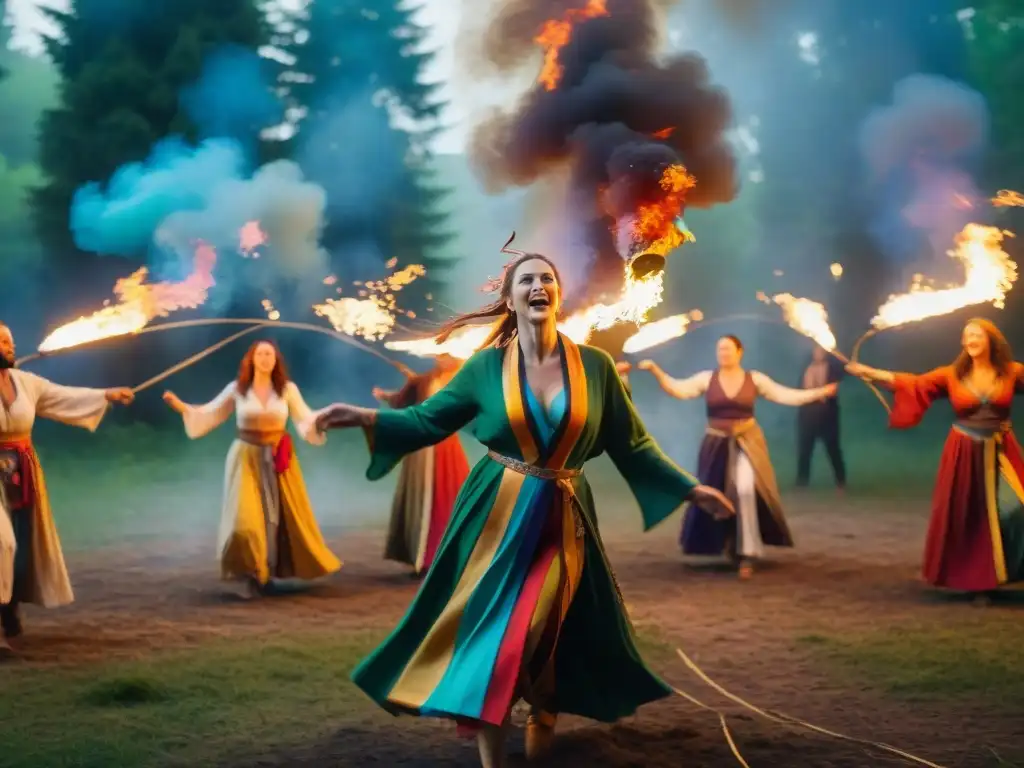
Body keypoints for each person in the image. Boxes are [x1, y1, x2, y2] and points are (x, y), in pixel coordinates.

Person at [309, 241, 733, 768]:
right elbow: (426, 422)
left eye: (547, 279)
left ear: (558, 296)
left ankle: (542, 714)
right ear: (510, 299)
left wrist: (691, 489)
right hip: (495, 517)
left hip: (563, 519)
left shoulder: (595, 367)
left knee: (542, 631)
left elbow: (634, 444)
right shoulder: (484, 369)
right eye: (527, 280)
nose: (539, 286)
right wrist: (364, 416)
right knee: (494, 639)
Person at [846, 318, 1024, 601]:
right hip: (965, 450)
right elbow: (913, 384)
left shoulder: (1011, 372)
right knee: (972, 517)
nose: (971, 340)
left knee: (1014, 508)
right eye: (966, 336)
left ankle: (1009, 569)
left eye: (977, 335)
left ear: (991, 339)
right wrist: (868, 371)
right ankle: (980, 583)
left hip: (1000, 450)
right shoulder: (951, 375)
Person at [637, 336, 837, 579]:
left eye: (728, 349)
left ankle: (747, 553)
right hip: (715, 445)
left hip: (747, 442)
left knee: (744, 491)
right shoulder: (706, 379)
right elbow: (678, 389)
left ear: (739, 352)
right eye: (720, 349)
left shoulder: (755, 379)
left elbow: (787, 395)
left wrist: (820, 392)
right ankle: (729, 544)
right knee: (719, 497)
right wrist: (655, 370)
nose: (724, 353)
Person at [162, 339, 341, 600]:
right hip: (246, 457)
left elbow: (305, 419)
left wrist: (324, 420)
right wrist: (180, 406)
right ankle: (250, 573)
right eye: (260, 353)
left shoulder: (287, 390)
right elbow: (210, 412)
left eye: (270, 354)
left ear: (276, 360)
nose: (265, 358)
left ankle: (265, 574)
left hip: (279, 459)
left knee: (277, 518)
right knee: (244, 522)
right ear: (252, 359)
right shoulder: (238, 389)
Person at [0, 322, 134, 657]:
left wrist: (106, 395)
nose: (9, 345)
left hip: (23, 470)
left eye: (11, 340)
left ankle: (8, 607)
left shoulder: (25, 383)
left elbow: (63, 396)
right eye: (2, 341)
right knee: (2, 542)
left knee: (21, 545)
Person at [373, 354, 470, 577]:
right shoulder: (424, 381)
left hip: (446, 446)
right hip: (423, 446)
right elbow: (403, 400)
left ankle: (452, 557)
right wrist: (387, 394)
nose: (443, 359)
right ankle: (423, 557)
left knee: (450, 495)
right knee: (423, 497)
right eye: (441, 356)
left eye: (448, 356)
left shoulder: (464, 379)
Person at [795, 344, 847, 491]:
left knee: (833, 449)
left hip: (826, 416)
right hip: (807, 415)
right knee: (804, 450)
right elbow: (800, 390)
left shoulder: (833, 369)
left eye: (821, 351)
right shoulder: (806, 368)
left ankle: (841, 482)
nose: (818, 353)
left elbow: (845, 371)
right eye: (816, 350)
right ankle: (801, 483)